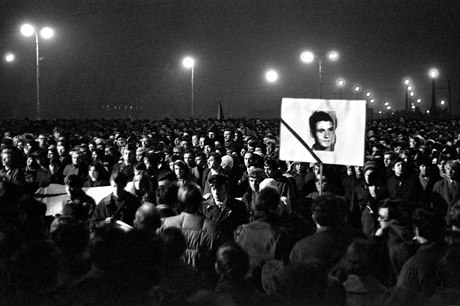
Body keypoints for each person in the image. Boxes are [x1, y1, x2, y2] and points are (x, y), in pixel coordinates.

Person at [160, 182, 223, 274]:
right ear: (200, 202)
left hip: (171, 282)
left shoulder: (164, 224)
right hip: (202, 283)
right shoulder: (213, 228)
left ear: (179, 202)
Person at [202, 174, 248, 240]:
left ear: (226, 189)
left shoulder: (238, 206)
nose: (216, 192)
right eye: (213, 189)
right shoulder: (204, 207)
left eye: (219, 189)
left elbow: (243, 231)